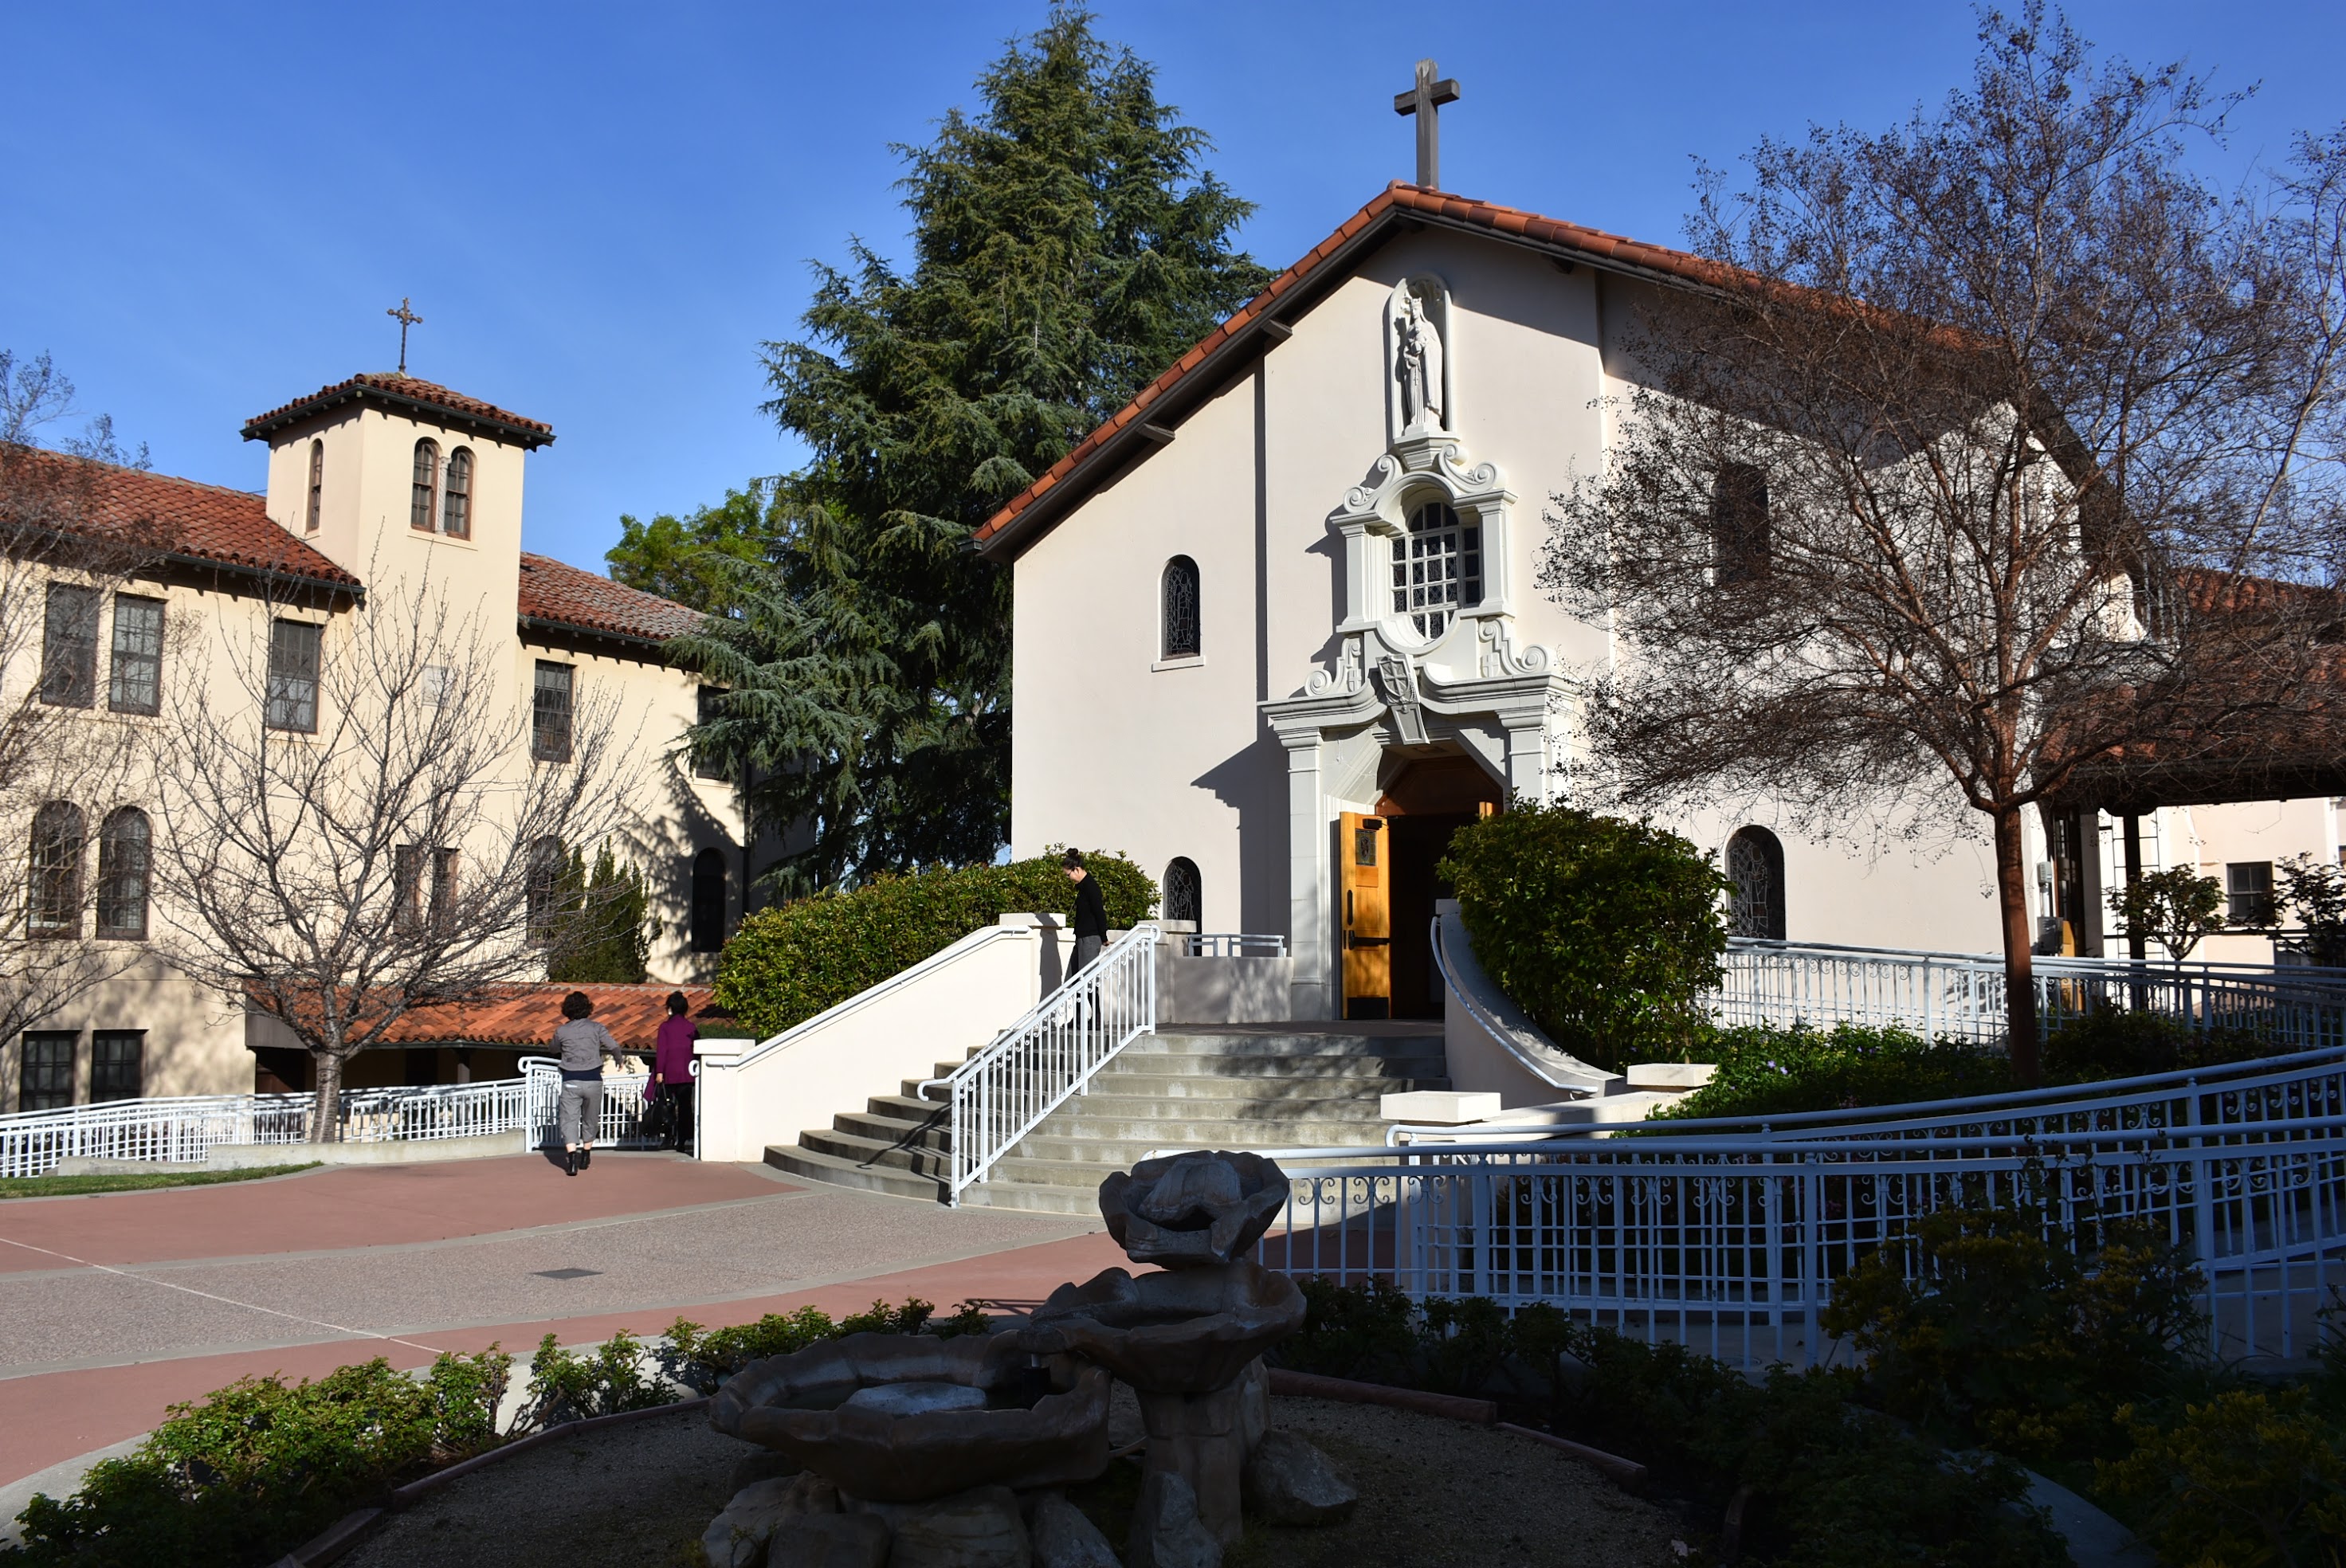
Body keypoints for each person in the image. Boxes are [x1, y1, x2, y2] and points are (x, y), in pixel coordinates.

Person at [551, 990, 625, 1177]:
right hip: (593, 1079)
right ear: (588, 1008)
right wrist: (619, 1060)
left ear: (567, 1009)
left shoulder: (562, 1031)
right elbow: (613, 1046)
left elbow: (553, 1048)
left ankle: (572, 1159)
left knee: (569, 1120)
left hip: (571, 1080)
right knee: (590, 1118)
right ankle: (586, 1154)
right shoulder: (597, 1028)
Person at [649, 990, 697, 1154]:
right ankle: (683, 1140)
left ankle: (668, 1136)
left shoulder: (665, 1027)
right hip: (687, 1073)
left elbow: (662, 1050)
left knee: (667, 1106)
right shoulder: (691, 1027)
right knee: (685, 1108)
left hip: (669, 1074)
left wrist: (660, 1072)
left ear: (669, 1008)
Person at [1064, 849, 1108, 973]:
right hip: (1082, 937)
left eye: (1068, 875)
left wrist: (1103, 936)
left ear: (1076, 869)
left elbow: (1099, 911)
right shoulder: (1083, 888)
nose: (1069, 878)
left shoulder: (1091, 887)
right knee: (1074, 979)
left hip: (1090, 938)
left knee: (1087, 981)